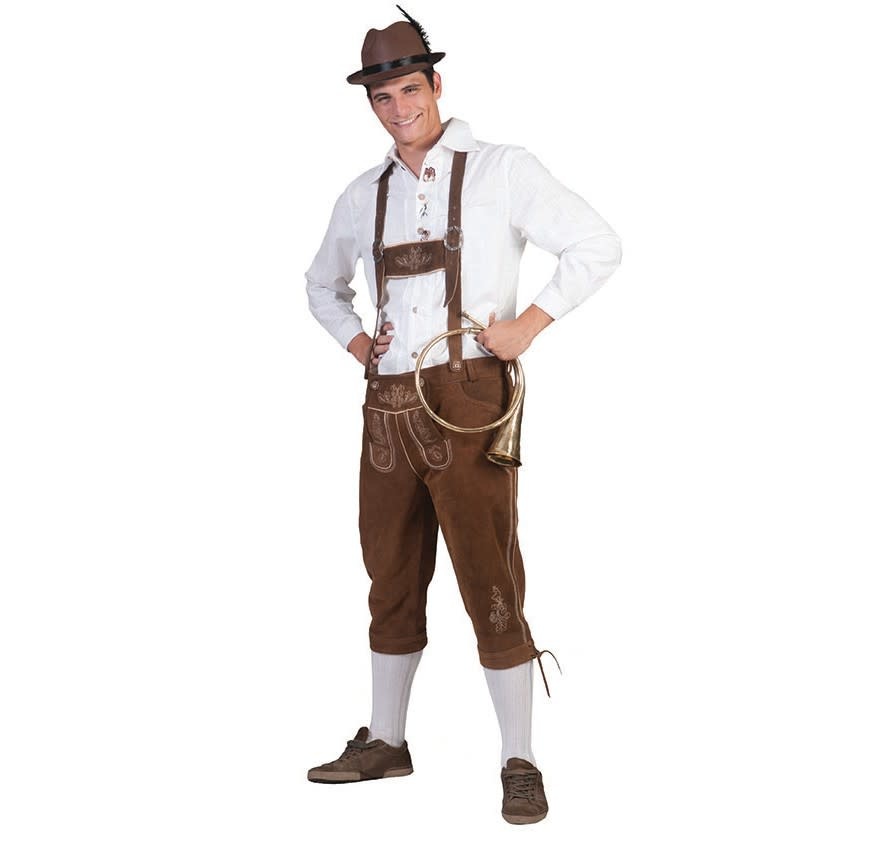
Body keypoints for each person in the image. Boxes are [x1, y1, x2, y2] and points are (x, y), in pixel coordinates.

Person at [304, 7, 621, 825]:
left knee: (489, 576)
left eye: (409, 90)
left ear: (435, 84)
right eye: (382, 98)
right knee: (388, 574)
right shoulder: (361, 194)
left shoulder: (501, 169)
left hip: (469, 397)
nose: (397, 109)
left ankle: (519, 758)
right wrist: (357, 345)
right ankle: (385, 740)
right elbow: (319, 286)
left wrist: (528, 324)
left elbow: (596, 244)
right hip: (386, 407)